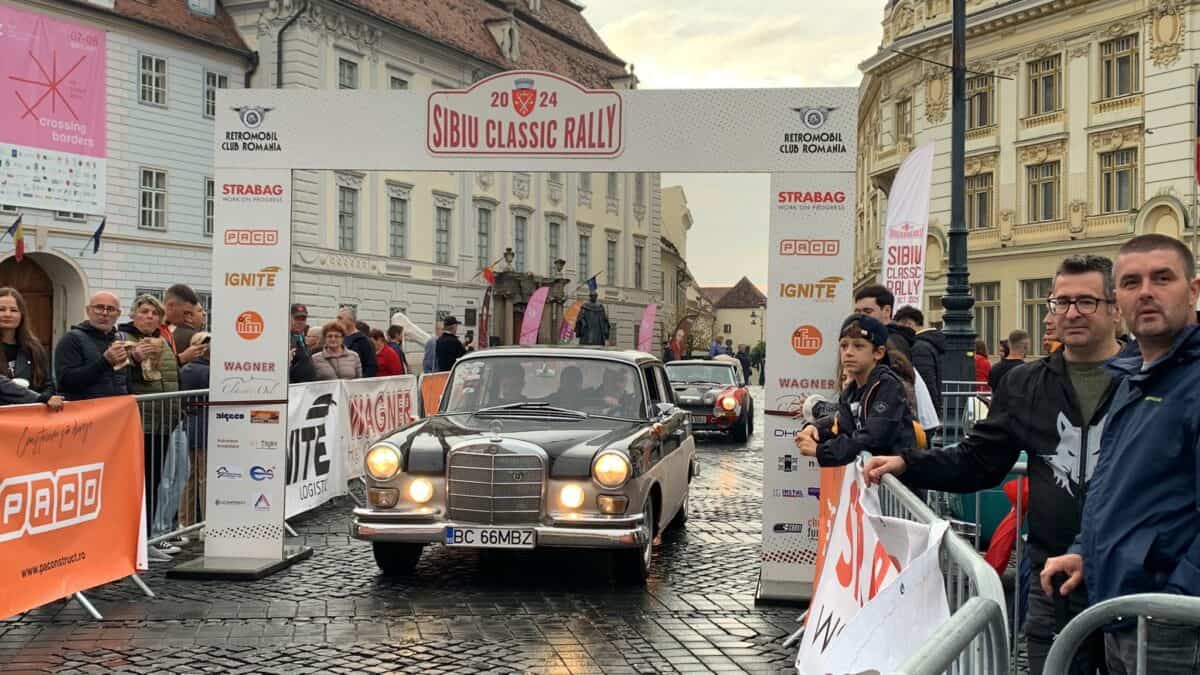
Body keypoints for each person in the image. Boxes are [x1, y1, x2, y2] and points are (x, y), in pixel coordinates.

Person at [868, 254, 1124, 675]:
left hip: (1131, 578)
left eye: (1087, 301)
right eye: (1061, 302)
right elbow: (978, 461)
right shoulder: (1025, 383)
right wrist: (906, 463)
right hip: (1051, 576)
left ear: (1115, 308)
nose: (1071, 313)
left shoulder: (1144, 379)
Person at [1043, 236, 1200, 674]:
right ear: (1119, 302)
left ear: (1193, 290)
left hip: (1171, 624)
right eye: (1131, 282)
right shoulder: (1135, 377)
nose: (1146, 291)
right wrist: (1086, 553)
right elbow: (1116, 487)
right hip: (1125, 608)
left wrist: (1175, 600)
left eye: (1162, 278)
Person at [794, 314, 915, 466]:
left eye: (858, 346)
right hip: (871, 479)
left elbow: (873, 437)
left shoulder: (888, 385)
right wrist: (815, 429)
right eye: (844, 346)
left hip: (897, 481)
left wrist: (821, 451)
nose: (848, 352)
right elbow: (841, 426)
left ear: (878, 352)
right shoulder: (850, 391)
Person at [119, 294, 183, 555]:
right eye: (144, 311)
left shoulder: (163, 342)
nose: (149, 317)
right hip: (139, 422)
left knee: (156, 480)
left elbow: (173, 376)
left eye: (154, 313)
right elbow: (118, 374)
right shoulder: (123, 339)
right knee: (139, 483)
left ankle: (148, 538)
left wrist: (179, 409)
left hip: (164, 422)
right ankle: (137, 542)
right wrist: (134, 358)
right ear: (134, 314)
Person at [54, 292, 130, 399]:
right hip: (86, 411)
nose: (104, 313)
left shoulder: (119, 340)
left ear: (118, 314)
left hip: (117, 410)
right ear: (88, 311)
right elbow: (66, 383)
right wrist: (105, 361)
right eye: (99, 308)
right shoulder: (71, 339)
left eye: (110, 309)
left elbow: (124, 381)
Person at [178, 331, 210, 533]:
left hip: (189, 424)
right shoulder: (206, 371)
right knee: (203, 477)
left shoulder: (185, 369)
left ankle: (186, 523)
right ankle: (205, 523)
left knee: (189, 478)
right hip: (204, 425)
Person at [0, 287, 53, 396]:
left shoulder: (34, 348)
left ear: (22, 315)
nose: (7, 314)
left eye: (14, 310)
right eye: (1, 309)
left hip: (29, 412)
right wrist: (38, 398)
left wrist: (47, 397)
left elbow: (48, 385)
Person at [893, 306, 944, 416]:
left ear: (909, 325)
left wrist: (931, 412)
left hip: (923, 411)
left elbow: (925, 381)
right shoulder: (927, 344)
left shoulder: (919, 348)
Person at [163, 284, 204, 365]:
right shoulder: (153, 331)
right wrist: (181, 358)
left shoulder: (170, 330)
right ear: (171, 306)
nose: (188, 318)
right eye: (186, 313)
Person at [337, 307, 377, 378]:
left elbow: (371, 367)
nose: (337, 321)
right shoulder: (339, 339)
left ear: (351, 320)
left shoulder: (364, 341)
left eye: (340, 318)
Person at [988, 329, 1029, 394]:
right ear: (1026, 346)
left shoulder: (995, 368)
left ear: (1009, 344)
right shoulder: (1028, 370)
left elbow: (993, 393)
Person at [289, 303, 316, 383]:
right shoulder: (285, 339)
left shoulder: (301, 337)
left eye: (303, 319)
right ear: (289, 318)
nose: (300, 322)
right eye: (297, 318)